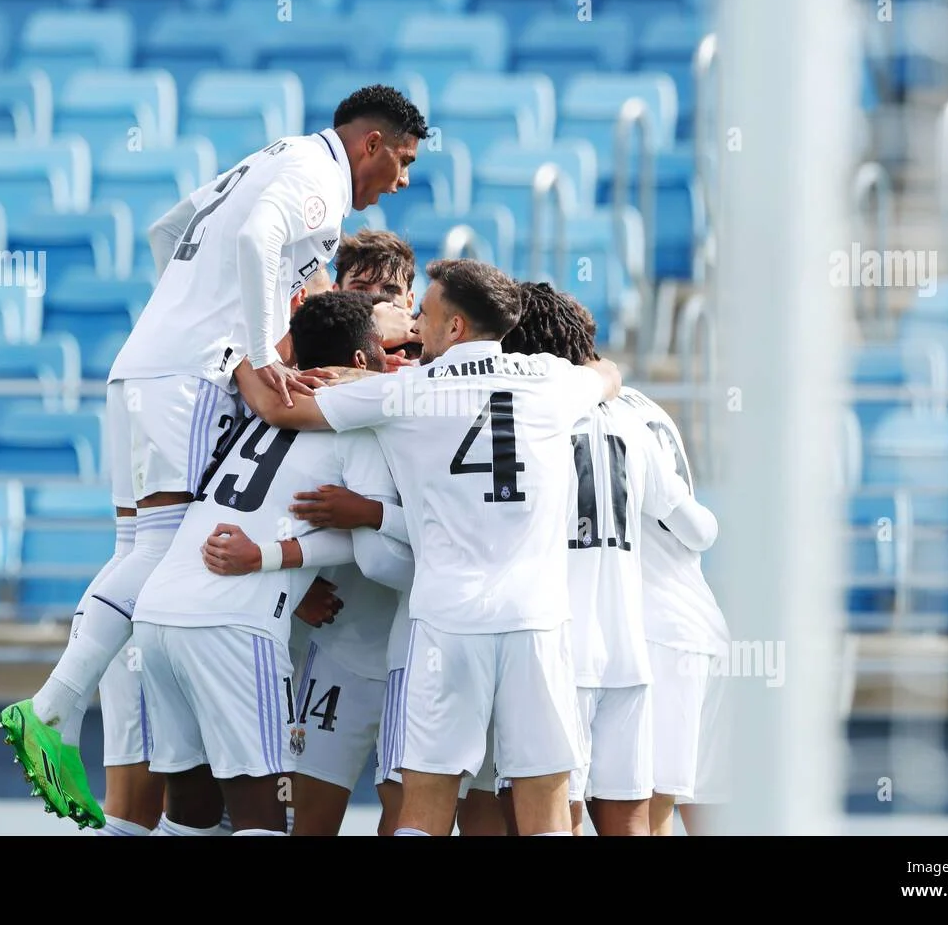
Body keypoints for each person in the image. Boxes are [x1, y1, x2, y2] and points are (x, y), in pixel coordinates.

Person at [0, 84, 429, 830]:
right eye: (405, 161)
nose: (403, 180)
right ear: (373, 143)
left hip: (141, 365)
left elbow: (171, 232)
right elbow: (258, 238)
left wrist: (190, 314)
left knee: (136, 544)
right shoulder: (318, 180)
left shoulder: (271, 159)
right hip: (194, 377)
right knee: (164, 547)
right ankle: (52, 708)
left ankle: (61, 711)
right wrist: (256, 351)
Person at [233, 258, 623, 836]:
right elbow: (607, 372)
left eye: (424, 313)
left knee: (426, 803)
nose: (414, 324)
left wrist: (236, 349)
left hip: (445, 627)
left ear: (457, 327)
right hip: (536, 626)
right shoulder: (550, 381)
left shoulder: (405, 392)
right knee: (545, 805)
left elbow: (275, 407)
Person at [130, 291, 409, 834]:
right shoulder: (356, 425)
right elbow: (381, 561)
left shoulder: (265, 408)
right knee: (264, 816)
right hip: (235, 625)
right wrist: (373, 522)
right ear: (361, 359)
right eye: (383, 348)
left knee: (190, 813)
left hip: (159, 615)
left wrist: (279, 552)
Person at [498, 283, 691, 836]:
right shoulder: (633, 419)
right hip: (627, 647)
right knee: (629, 818)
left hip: (558, 649)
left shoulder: (534, 420)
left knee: (555, 818)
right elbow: (678, 517)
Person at [615, 385, 730, 836]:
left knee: (649, 802)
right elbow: (700, 529)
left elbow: (698, 528)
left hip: (657, 630)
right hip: (702, 623)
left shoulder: (593, 413)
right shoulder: (644, 402)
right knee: (705, 803)